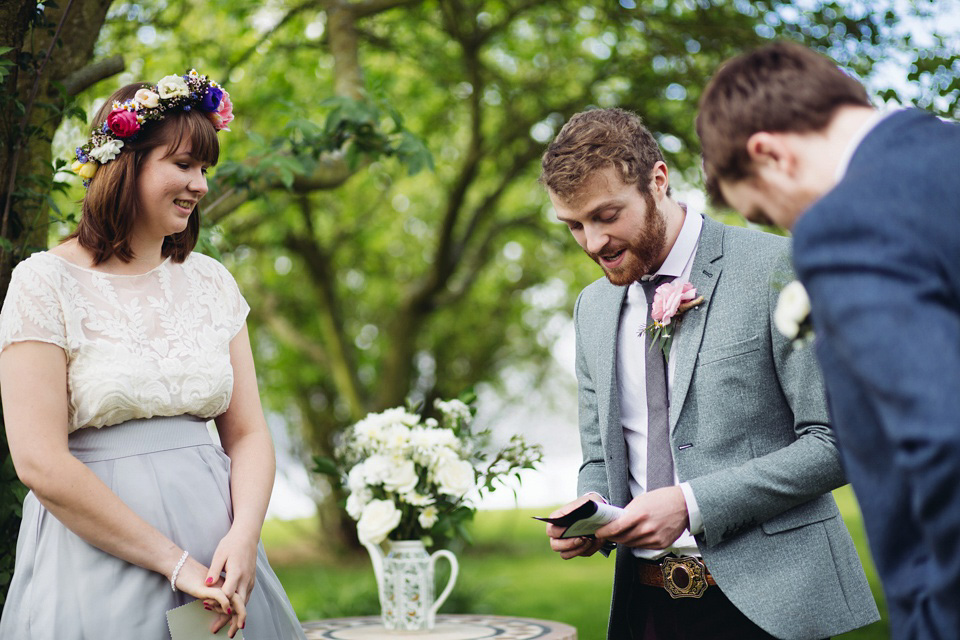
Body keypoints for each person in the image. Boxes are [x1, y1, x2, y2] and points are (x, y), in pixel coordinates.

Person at [539, 107, 878, 640]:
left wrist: (692, 504)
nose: (592, 243)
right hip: (642, 607)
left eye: (607, 216)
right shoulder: (592, 308)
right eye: (574, 225)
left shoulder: (779, 267)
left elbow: (840, 440)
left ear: (658, 180)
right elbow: (601, 457)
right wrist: (589, 515)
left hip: (771, 609)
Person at [0, 70, 307, 640]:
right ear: (127, 163)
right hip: (98, 560)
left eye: (206, 169)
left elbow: (248, 434)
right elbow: (39, 461)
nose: (201, 185)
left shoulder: (212, 281)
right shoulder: (43, 283)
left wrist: (243, 539)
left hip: (220, 557)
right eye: (184, 165)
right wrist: (174, 564)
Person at [696, 41, 960, 639]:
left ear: (769, 153)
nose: (792, 234)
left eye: (770, 215)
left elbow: (943, 441)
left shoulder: (847, 222)